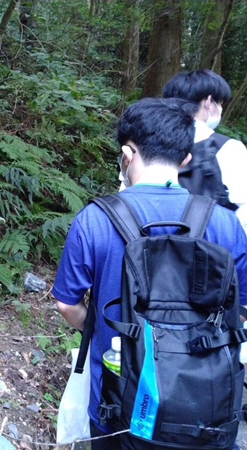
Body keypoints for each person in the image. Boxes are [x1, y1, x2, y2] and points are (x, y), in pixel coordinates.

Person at [53, 98, 247, 449]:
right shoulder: (225, 223)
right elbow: (240, 309)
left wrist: (104, 329)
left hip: (117, 403)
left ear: (127, 155)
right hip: (203, 408)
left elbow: (67, 305)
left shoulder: (93, 220)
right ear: (186, 158)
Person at [163, 69, 247, 236]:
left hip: (150, 250)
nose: (220, 108)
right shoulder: (228, 148)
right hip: (211, 252)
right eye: (220, 102)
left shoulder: (145, 144)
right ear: (209, 101)